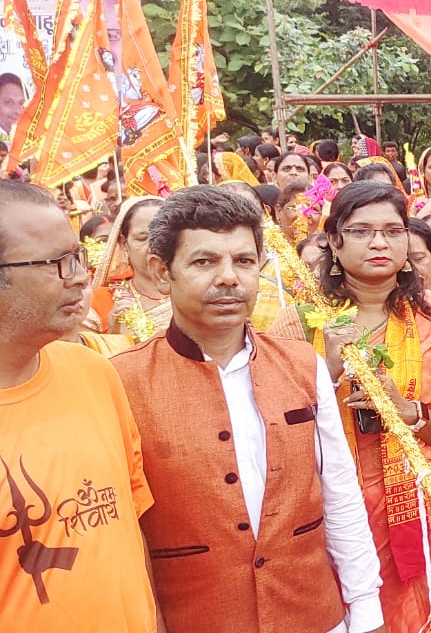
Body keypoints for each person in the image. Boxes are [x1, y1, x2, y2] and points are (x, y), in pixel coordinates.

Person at [107, 186, 384, 631]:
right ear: (162, 273)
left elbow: (340, 495)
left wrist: (366, 610)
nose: (228, 278)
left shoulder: (300, 365)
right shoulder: (120, 381)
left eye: (243, 261)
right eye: (204, 262)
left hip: (312, 614)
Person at [267, 181, 431, 631]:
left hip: (418, 505)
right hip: (328, 512)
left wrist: (405, 410)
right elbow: (273, 433)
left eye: (393, 231)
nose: (379, 242)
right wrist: (327, 374)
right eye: (361, 231)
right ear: (333, 240)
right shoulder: (298, 323)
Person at [0, 180, 159, 632]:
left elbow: (129, 523)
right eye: (55, 264)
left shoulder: (93, 372)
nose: (78, 277)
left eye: (77, 257)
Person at [93, 197, 168, 339]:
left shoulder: (195, 293)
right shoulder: (102, 300)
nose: (153, 246)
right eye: (142, 238)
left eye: (162, 236)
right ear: (124, 243)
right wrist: (114, 337)